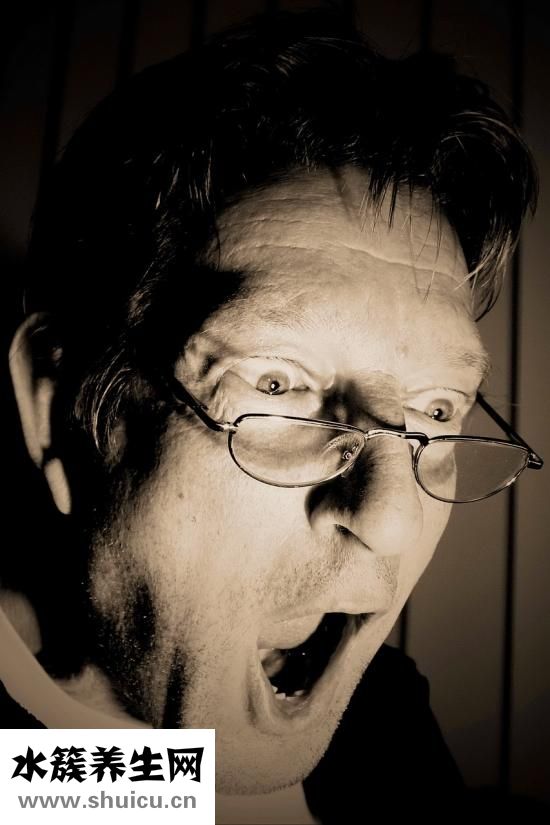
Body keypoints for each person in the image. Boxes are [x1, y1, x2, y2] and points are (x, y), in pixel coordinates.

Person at [1, 8, 543, 822]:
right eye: (280, 384)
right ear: (59, 403)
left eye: (436, 410)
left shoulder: (381, 719)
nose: (392, 519)